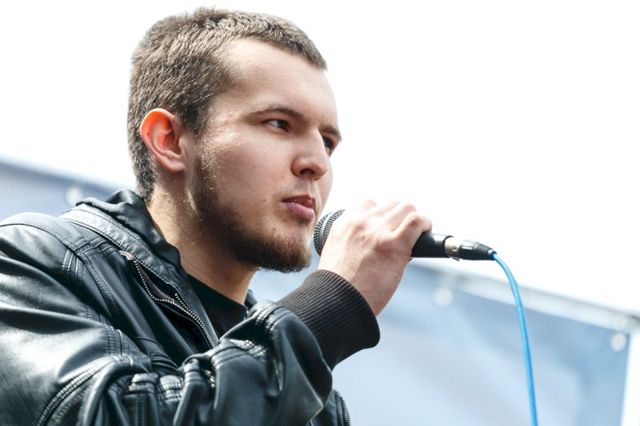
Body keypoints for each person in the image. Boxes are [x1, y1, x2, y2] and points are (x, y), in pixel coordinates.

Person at [0, 8, 431, 425]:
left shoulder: (314, 401)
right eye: (279, 124)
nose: (317, 163)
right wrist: (332, 303)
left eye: (328, 142)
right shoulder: (31, 260)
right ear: (169, 140)